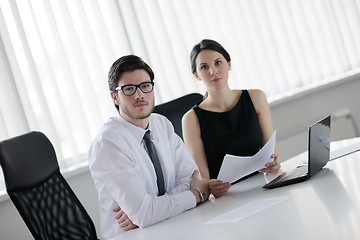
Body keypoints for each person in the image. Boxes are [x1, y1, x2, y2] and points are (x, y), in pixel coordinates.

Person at [88, 55, 210, 239]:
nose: (139, 95)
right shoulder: (108, 143)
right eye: (129, 89)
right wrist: (197, 194)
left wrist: (152, 209)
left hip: (172, 225)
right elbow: (145, 215)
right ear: (115, 97)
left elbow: (189, 178)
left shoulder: (161, 124)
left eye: (145, 86)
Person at [182, 39, 281, 198]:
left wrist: (274, 165)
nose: (213, 71)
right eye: (204, 67)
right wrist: (209, 187)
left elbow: (272, 155)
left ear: (229, 64)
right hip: (228, 197)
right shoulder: (191, 119)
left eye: (218, 63)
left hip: (264, 187)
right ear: (196, 75)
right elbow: (203, 181)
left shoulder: (256, 97)